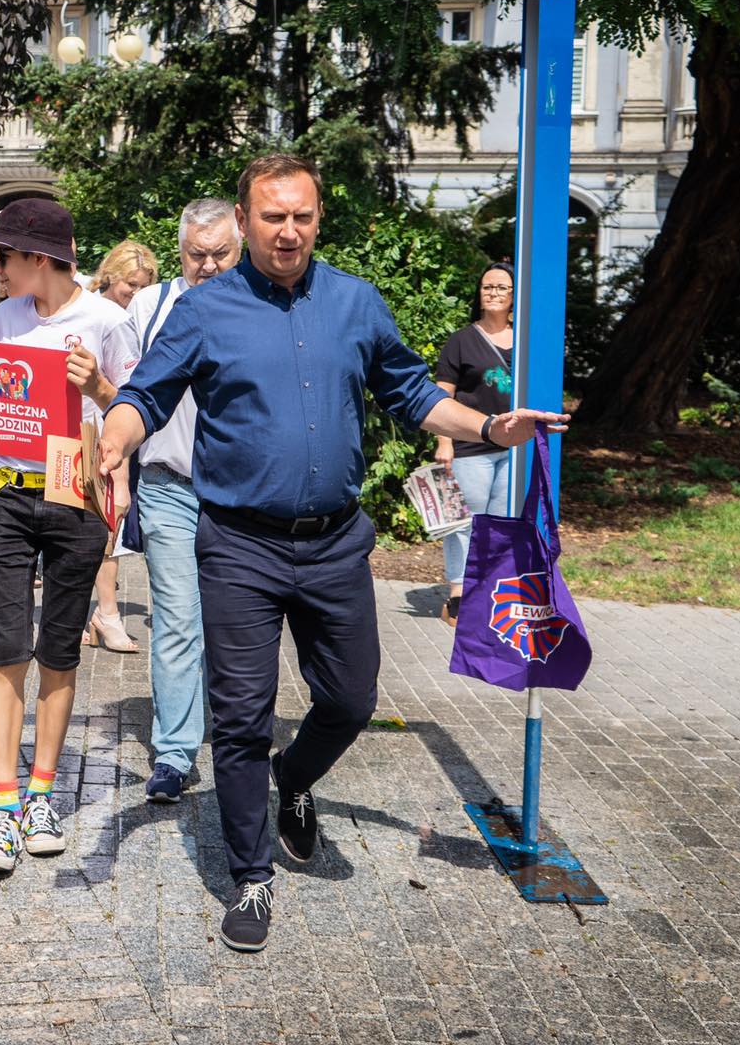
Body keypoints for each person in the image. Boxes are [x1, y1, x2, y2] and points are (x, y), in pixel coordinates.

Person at [99, 154, 567, 952]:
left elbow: (413, 394)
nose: (288, 230)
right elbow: (148, 393)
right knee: (242, 717)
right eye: (272, 216)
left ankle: (296, 780)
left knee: (350, 700)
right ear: (244, 222)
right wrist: (117, 433)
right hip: (239, 545)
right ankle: (251, 878)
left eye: (302, 216)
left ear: (318, 219)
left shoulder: (355, 301)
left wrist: (491, 429)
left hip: (333, 544)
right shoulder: (206, 310)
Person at [0, 197, 139, 875]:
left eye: (6, 257)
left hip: (76, 495)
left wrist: (100, 386)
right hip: (8, 498)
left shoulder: (106, 318)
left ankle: (43, 795)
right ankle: (4, 806)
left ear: (39, 259)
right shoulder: (1, 318)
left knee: (59, 652)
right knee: (7, 651)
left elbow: (137, 406)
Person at [130, 198, 241, 803]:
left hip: (243, 496)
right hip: (169, 486)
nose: (208, 266)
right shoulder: (150, 306)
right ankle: (174, 753)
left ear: (240, 246)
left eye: (221, 254)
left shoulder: (263, 305)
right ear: (180, 251)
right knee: (176, 622)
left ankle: (237, 740)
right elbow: (120, 392)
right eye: (196, 254)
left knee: (236, 625)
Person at [80, 241, 161, 653]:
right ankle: (102, 615)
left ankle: (103, 614)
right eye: (131, 285)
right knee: (102, 524)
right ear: (111, 275)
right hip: (85, 432)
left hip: (114, 433)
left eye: (143, 287)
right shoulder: (96, 313)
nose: (135, 294)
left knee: (106, 526)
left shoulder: (132, 317)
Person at [435, 263, 517, 626]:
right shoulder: (462, 341)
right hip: (470, 448)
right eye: (487, 287)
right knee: (462, 524)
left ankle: (489, 594)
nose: (494, 293)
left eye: (502, 287)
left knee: (500, 525)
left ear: (515, 295)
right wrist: (445, 443)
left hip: (513, 450)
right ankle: (458, 595)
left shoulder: (526, 341)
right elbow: (442, 395)